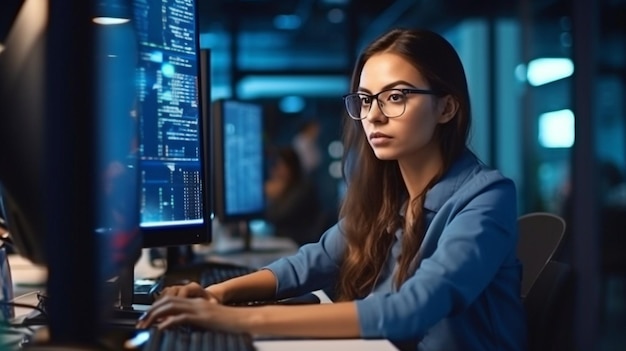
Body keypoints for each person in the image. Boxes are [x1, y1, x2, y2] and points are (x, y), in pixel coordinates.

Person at [136, 28, 526, 351]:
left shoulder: (486, 197)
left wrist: (233, 319)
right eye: (366, 98)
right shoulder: (393, 195)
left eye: (395, 97)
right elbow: (315, 261)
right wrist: (218, 295)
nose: (372, 115)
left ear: (446, 109)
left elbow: (414, 308)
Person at [263, 146, 322, 246]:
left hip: (297, 244)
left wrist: (272, 197)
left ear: (290, 167)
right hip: (284, 241)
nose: (275, 172)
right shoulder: (290, 187)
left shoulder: (303, 188)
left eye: (278, 166)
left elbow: (277, 216)